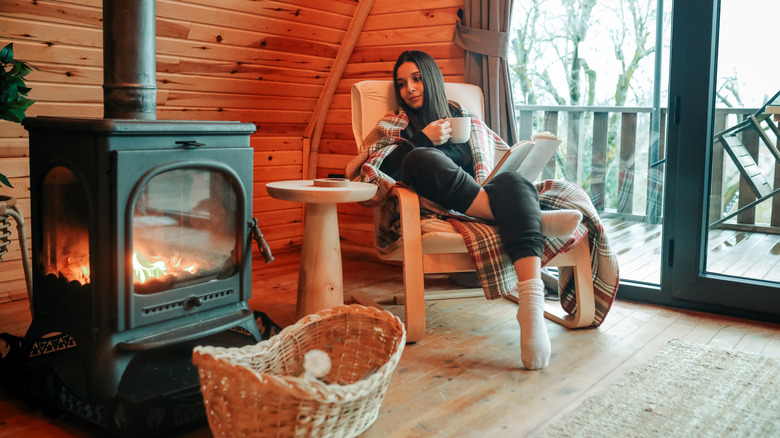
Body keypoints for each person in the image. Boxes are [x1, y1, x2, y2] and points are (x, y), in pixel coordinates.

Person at [346, 50, 579, 370]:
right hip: (435, 207)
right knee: (421, 158)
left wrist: (505, 168)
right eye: (401, 83)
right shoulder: (395, 123)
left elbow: (491, 156)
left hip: (477, 193)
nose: (409, 89)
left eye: (416, 79)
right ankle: (532, 219)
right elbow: (375, 171)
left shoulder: (461, 114)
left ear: (431, 78)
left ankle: (531, 306)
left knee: (512, 180)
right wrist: (421, 140)